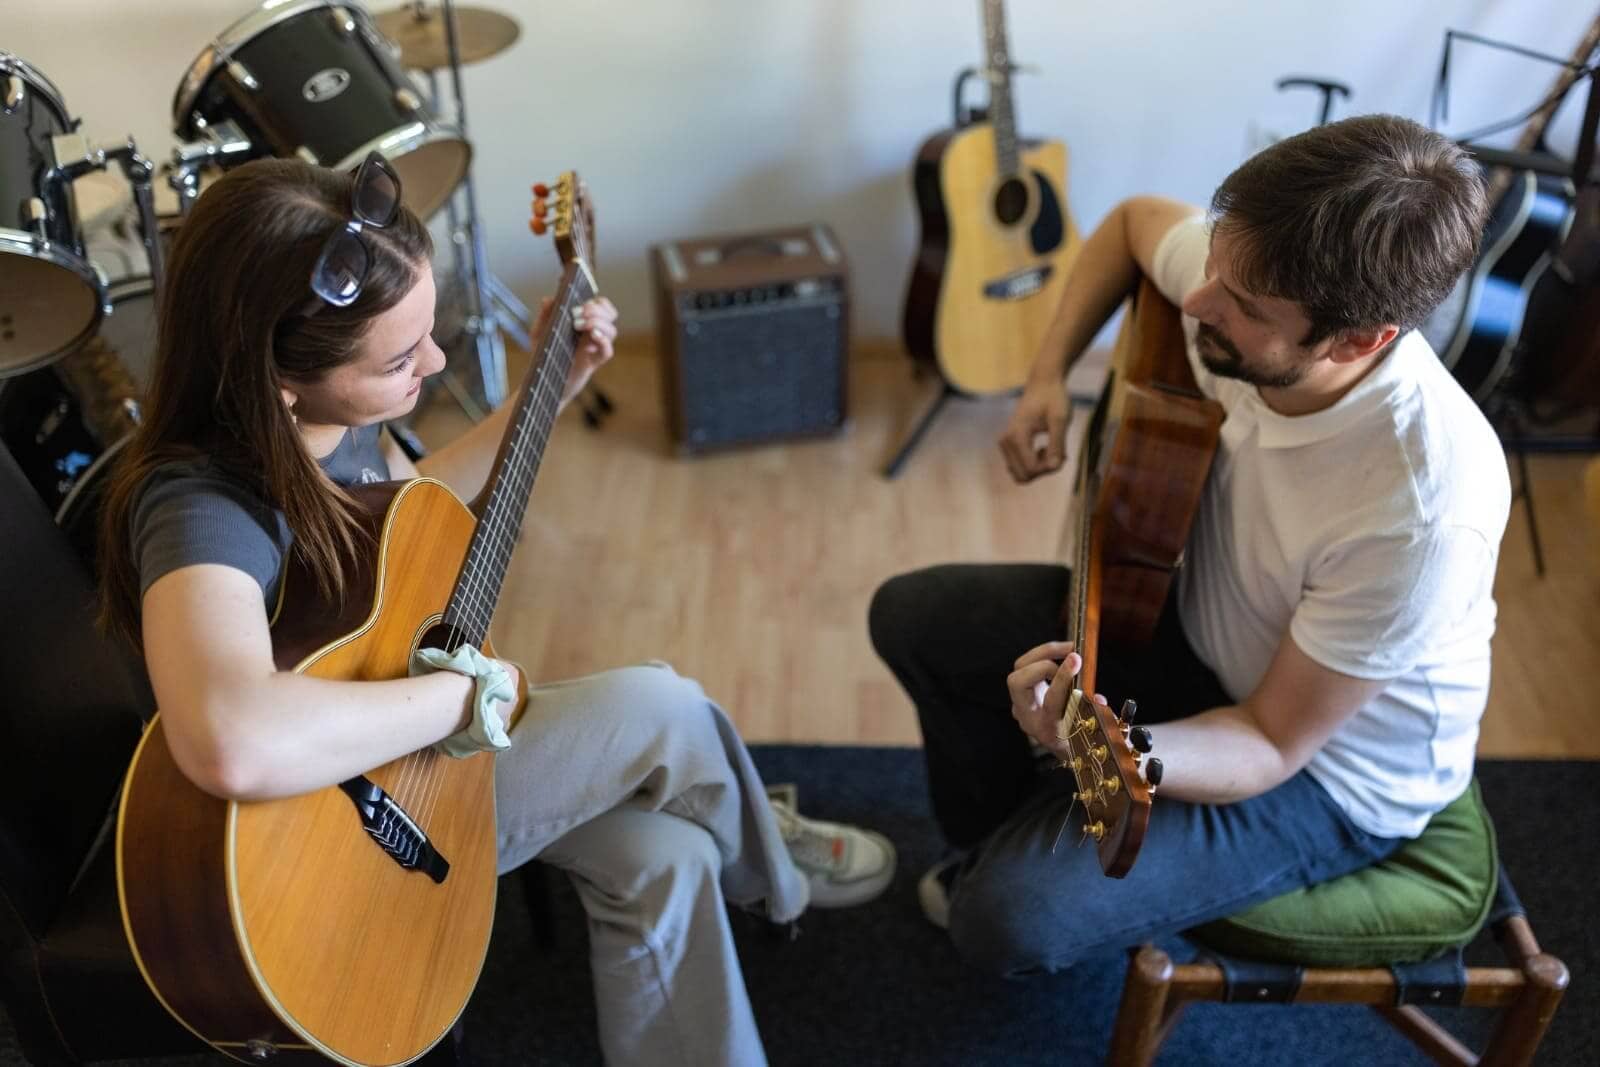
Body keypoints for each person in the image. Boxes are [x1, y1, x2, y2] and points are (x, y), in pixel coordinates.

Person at [96, 155, 895, 1066]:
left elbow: (406, 506)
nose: (435, 365)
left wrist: (543, 393)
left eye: (429, 332)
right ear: (279, 374)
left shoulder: (332, 416)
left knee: (664, 859)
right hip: (331, 839)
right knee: (664, 707)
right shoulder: (201, 503)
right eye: (402, 358)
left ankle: (720, 822)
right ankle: (769, 864)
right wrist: (459, 699)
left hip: (410, 766)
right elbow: (230, 737)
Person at [869, 114, 1505, 976]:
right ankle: (1004, 831)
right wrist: (1048, 377)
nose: (1196, 303)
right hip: (1199, 627)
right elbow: (1132, 223)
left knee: (1003, 922)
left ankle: (1022, 847)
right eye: (1213, 266)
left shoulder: (1422, 508)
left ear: (1358, 342)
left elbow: (1273, 741)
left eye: (1240, 307)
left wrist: (1097, 749)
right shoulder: (1261, 269)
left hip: (1323, 773)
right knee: (913, 614)